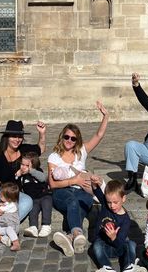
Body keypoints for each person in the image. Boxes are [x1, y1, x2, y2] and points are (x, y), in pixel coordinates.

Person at [49, 101, 109, 257]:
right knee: (73, 202)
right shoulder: (54, 157)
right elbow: (52, 183)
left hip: (83, 190)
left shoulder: (82, 151)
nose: (69, 140)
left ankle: (69, 237)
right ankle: (77, 232)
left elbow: (99, 135)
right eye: (67, 137)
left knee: (83, 202)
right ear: (62, 137)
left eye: (73, 138)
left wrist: (106, 116)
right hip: (62, 191)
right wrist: (74, 181)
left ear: (78, 140)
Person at [90, 178, 140, 272]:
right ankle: (107, 267)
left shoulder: (126, 220)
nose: (112, 206)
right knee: (96, 245)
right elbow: (97, 192)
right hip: (104, 246)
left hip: (119, 247)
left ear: (123, 198)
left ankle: (129, 266)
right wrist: (94, 184)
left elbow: (120, 243)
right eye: (109, 202)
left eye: (115, 202)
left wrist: (113, 237)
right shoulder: (106, 206)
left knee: (131, 244)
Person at [15, 151, 53, 238]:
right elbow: (17, 187)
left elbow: (43, 178)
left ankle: (46, 225)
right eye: (22, 165)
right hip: (33, 199)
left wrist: (31, 170)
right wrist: (17, 176)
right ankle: (33, 227)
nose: (24, 167)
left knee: (46, 206)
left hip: (44, 195)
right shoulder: (22, 177)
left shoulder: (37, 171)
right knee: (32, 211)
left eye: (27, 165)